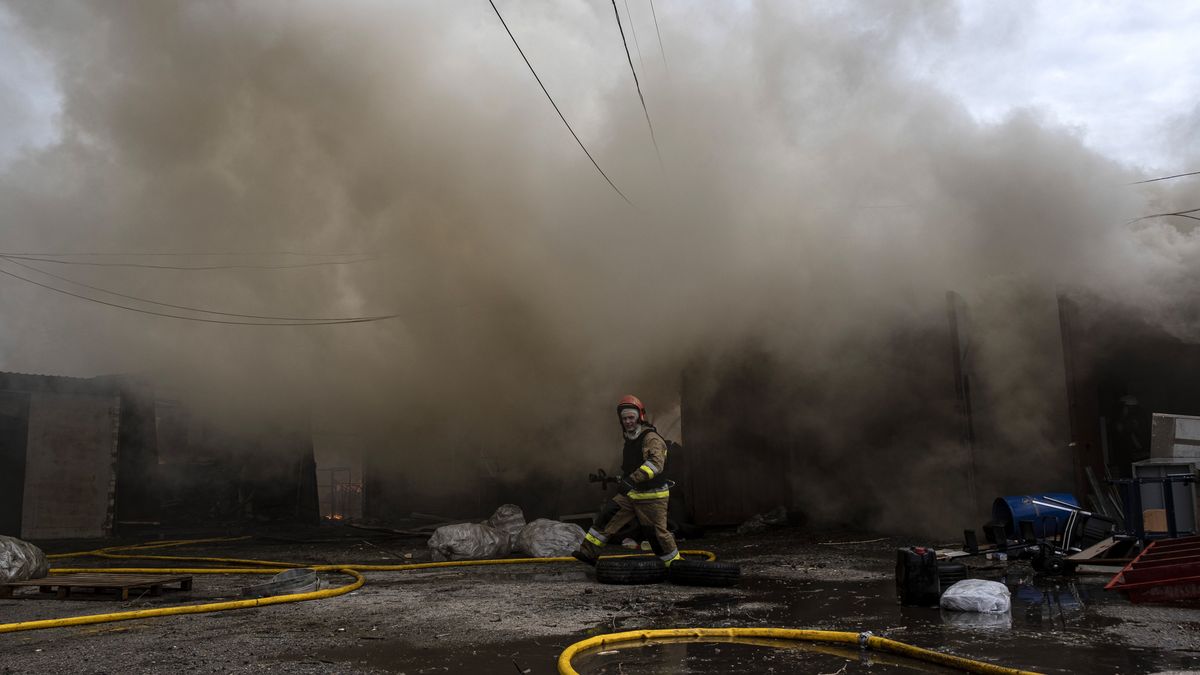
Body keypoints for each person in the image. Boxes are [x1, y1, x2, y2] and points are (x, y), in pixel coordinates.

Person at [572, 395, 681, 567]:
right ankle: (588, 553)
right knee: (606, 517)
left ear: (640, 416)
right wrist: (617, 479)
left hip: (652, 497)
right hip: (632, 495)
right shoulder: (630, 439)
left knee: (657, 535)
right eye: (624, 419)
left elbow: (655, 465)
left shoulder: (651, 438)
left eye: (631, 417)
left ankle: (675, 565)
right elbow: (632, 468)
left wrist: (632, 479)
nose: (628, 421)